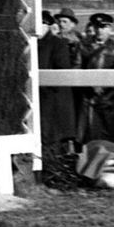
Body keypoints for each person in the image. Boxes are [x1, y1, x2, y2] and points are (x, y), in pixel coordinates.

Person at [38, 11, 77, 182]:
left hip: (52, 101)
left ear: (47, 25)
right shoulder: (30, 43)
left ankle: (54, 176)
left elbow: (61, 72)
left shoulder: (57, 44)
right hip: (39, 101)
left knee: (52, 140)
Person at [81, 12, 114, 146]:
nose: (100, 30)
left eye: (103, 27)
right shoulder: (84, 48)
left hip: (111, 102)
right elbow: (78, 71)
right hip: (90, 101)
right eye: (97, 27)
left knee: (112, 138)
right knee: (92, 138)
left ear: (110, 29)